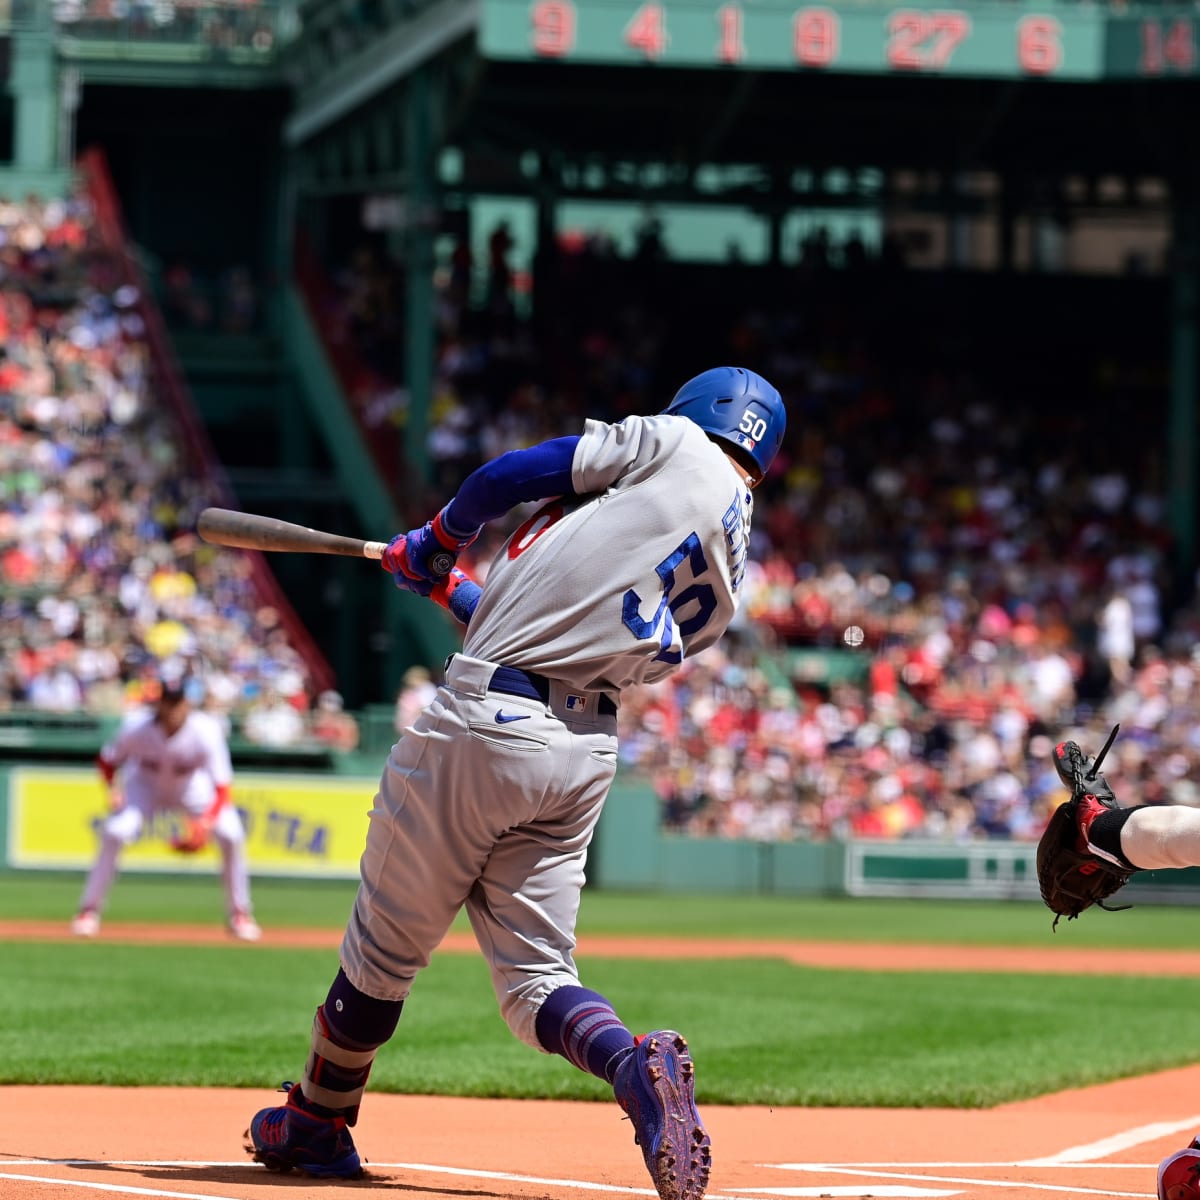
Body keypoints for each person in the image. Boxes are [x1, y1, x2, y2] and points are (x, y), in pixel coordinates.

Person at [244, 366, 787, 1199]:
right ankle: (630, 1064)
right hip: (581, 751)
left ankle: (318, 1121)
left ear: (695, 412)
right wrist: (450, 588)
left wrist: (439, 535)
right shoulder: (730, 559)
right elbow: (559, 623)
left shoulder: (673, 443)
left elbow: (510, 474)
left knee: (383, 951)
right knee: (539, 978)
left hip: (485, 723)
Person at [71, 674, 261, 942]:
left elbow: (222, 788)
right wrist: (113, 789)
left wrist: (205, 823)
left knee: (231, 834)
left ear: (187, 704)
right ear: (158, 704)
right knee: (114, 832)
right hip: (143, 787)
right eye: (167, 702)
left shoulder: (206, 730)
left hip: (192, 788)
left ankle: (240, 914)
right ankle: (88, 911)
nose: (172, 708)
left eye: (177, 702)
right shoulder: (135, 726)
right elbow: (106, 760)